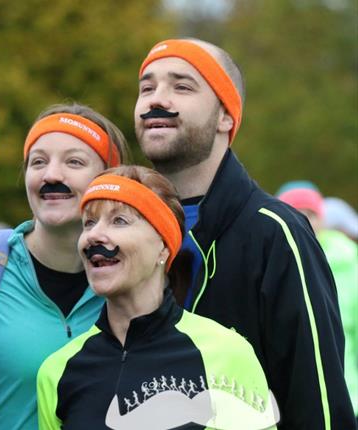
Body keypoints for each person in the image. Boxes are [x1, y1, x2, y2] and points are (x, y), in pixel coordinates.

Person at [134, 38, 356, 427]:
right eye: (147, 87)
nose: (157, 99)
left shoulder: (277, 232)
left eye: (182, 86)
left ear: (225, 116)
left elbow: (317, 399)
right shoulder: (124, 232)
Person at [37, 166, 276, 430]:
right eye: (89, 223)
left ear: (163, 245)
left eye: (119, 221)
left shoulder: (227, 354)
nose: (93, 235)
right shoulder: (57, 371)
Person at [0, 103, 128, 429]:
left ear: (109, 181)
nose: (51, 175)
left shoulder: (129, 287)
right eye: (38, 162)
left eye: (73, 162)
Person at [277, 182, 358, 418]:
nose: (304, 220)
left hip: (348, 396)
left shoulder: (349, 261)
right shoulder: (271, 261)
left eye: (311, 213)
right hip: (288, 399)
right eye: (295, 212)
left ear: (322, 218)